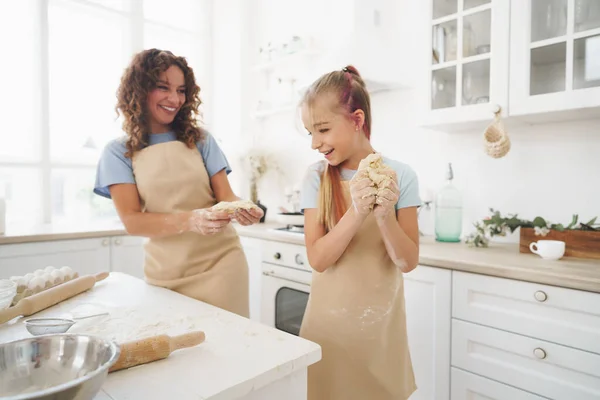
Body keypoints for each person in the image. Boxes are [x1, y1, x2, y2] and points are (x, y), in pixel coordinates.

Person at [93, 49, 263, 318]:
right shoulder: (118, 152)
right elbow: (133, 221)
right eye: (163, 87)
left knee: (229, 352)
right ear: (139, 90)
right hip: (166, 275)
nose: (175, 99)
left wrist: (242, 208)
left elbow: (225, 196)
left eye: (182, 90)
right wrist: (191, 220)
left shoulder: (201, 140)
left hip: (222, 266)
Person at [298, 65, 421, 400]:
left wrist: (385, 215)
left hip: (381, 333)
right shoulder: (315, 178)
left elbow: (407, 261)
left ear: (356, 119)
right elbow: (319, 259)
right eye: (309, 132)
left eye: (322, 129)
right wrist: (357, 210)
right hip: (328, 330)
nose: (314, 143)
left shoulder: (401, 176)